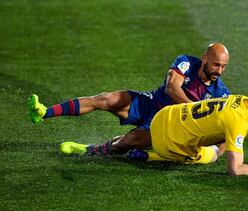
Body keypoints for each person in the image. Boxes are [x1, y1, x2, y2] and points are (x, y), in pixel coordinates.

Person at [29, 43, 231, 155]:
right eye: (215, 65)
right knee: (105, 99)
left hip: (164, 125)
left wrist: (216, 153)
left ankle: (89, 150)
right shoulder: (186, 62)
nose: (219, 71)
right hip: (150, 102)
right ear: (205, 58)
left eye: (223, 67)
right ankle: (45, 112)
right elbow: (171, 88)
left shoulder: (220, 93)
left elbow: (230, 124)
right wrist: (195, 108)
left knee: (129, 141)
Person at [128, 89, 248, 176]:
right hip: (167, 144)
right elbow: (235, 169)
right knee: (213, 155)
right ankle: (148, 156)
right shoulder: (238, 123)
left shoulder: (243, 100)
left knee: (217, 137)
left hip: (164, 116)